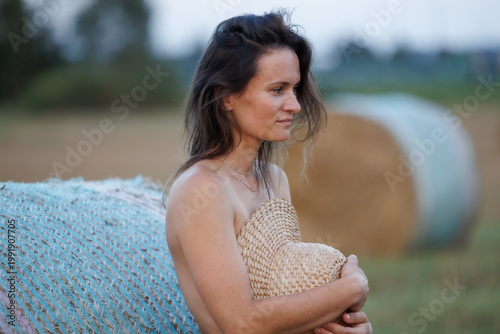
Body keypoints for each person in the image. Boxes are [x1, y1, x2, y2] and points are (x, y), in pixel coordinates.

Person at [164, 10, 371, 334]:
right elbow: (243, 323)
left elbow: (285, 293)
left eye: (294, 89)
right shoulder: (200, 191)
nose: (295, 105)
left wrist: (347, 327)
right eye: (277, 90)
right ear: (225, 97)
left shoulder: (274, 179)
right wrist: (351, 288)